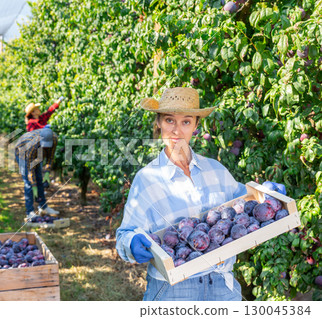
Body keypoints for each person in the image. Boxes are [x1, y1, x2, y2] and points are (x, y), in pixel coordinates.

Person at [115, 87, 286, 301]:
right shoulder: (147, 179)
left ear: (196, 126)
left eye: (186, 122)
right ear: (158, 123)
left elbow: (245, 205)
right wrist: (131, 242)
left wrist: (267, 193)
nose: (177, 131)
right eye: (169, 120)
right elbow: (125, 234)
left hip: (221, 287)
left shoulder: (216, 170)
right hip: (173, 291)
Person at [15, 127, 60, 220]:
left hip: (38, 152)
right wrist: (34, 185)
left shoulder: (54, 139)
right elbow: (30, 168)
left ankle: (43, 207)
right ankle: (30, 212)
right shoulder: (32, 145)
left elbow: (50, 157)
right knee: (28, 183)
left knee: (39, 178)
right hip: (22, 153)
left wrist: (47, 172)